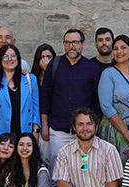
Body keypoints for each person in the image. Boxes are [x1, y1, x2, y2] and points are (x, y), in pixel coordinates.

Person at [39, 28, 103, 163]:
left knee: (84, 166)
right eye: (67, 43)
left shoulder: (92, 68)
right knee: (56, 169)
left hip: (84, 131)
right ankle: (58, 185)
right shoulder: (54, 65)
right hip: (58, 131)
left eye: (74, 42)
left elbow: (97, 100)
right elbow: (45, 95)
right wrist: (44, 125)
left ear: (83, 44)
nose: (71, 46)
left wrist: (95, 127)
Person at [0, 42, 41, 147]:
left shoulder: (30, 79)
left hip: (23, 132)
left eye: (13, 56)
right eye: (5, 56)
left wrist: (35, 131)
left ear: (18, 58)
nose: (9, 59)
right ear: (0, 59)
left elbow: (35, 109)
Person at [97, 34, 129, 156]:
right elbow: (106, 106)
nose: (119, 51)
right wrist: (125, 132)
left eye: (123, 47)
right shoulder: (108, 74)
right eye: (116, 48)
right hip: (115, 133)